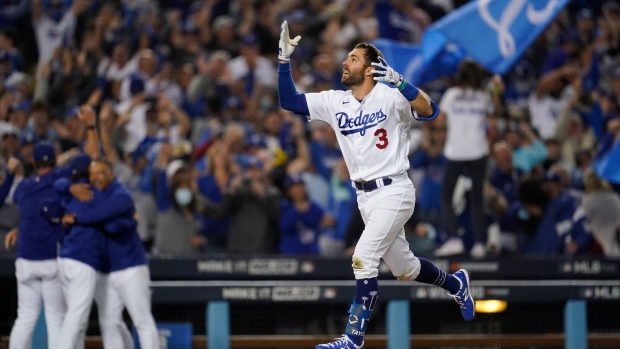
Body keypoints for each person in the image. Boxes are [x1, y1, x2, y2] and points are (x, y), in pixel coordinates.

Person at [277, 21, 474, 349]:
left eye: (353, 58)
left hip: (395, 190)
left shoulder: (390, 95)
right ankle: (456, 283)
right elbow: (290, 101)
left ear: (371, 69)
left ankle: (353, 339)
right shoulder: (335, 101)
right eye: (347, 57)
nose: (345, 61)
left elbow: (430, 109)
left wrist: (403, 84)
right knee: (405, 269)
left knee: (363, 257)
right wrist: (284, 62)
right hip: (365, 198)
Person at [61, 158, 159, 348]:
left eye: (100, 173)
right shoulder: (92, 193)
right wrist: (70, 188)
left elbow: (109, 223)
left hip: (130, 266)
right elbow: (60, 183)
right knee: (109, 324)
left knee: (142, 321)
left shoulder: (121, 194)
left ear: (111, 174)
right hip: (105, 271)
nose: (94, 177)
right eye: (92, 173)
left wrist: (78, 217)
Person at [52, 153, 137, 348]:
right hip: (83, 261)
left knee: (77, 319)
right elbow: (114, 223)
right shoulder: (96, 195)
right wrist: (130, 221)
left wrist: (69, 188)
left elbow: (57, 182)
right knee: (76, 316)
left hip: (65, 260)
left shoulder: (67, 192)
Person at [6, 142, 67, 349]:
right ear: (55, 160)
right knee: (55, 317)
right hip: (49, 259)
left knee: (25, 317)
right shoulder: (59, 182)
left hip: (25, 260)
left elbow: (11, 195)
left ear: (33, 162)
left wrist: (13, 174)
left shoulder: (24, 187)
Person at [433, 60, 495, 258]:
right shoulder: (484, 96)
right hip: (478, 151)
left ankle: (454, 240)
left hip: (456, 152)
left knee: (447, 197)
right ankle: (479, 244)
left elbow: (439, 121)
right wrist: (496, 91)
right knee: (477, 200)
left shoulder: (451, 95)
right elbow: (494, 113)